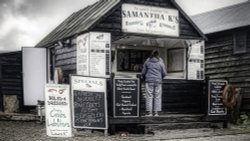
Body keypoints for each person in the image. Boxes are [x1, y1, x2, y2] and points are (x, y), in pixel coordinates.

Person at [141, 50, 167, 117]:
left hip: (149, 81)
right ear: (158, 55)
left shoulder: (147, 62)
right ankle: (156, 113)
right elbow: (164, 73)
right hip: (158, 81)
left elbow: (143, 72)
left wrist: (145, 78)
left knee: (149, 96)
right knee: (157, 97)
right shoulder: (161, 62)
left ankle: (149, 113)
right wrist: (160, 78)